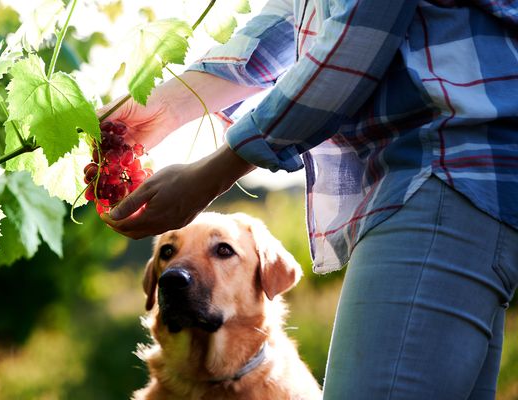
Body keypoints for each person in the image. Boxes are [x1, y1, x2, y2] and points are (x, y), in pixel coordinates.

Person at [99, 0, 518, 398]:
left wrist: (213, 173)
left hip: (444, 166)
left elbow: (353, 40)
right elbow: (293, 18)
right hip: (428, 178)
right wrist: (166, 107)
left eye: (223, 252)